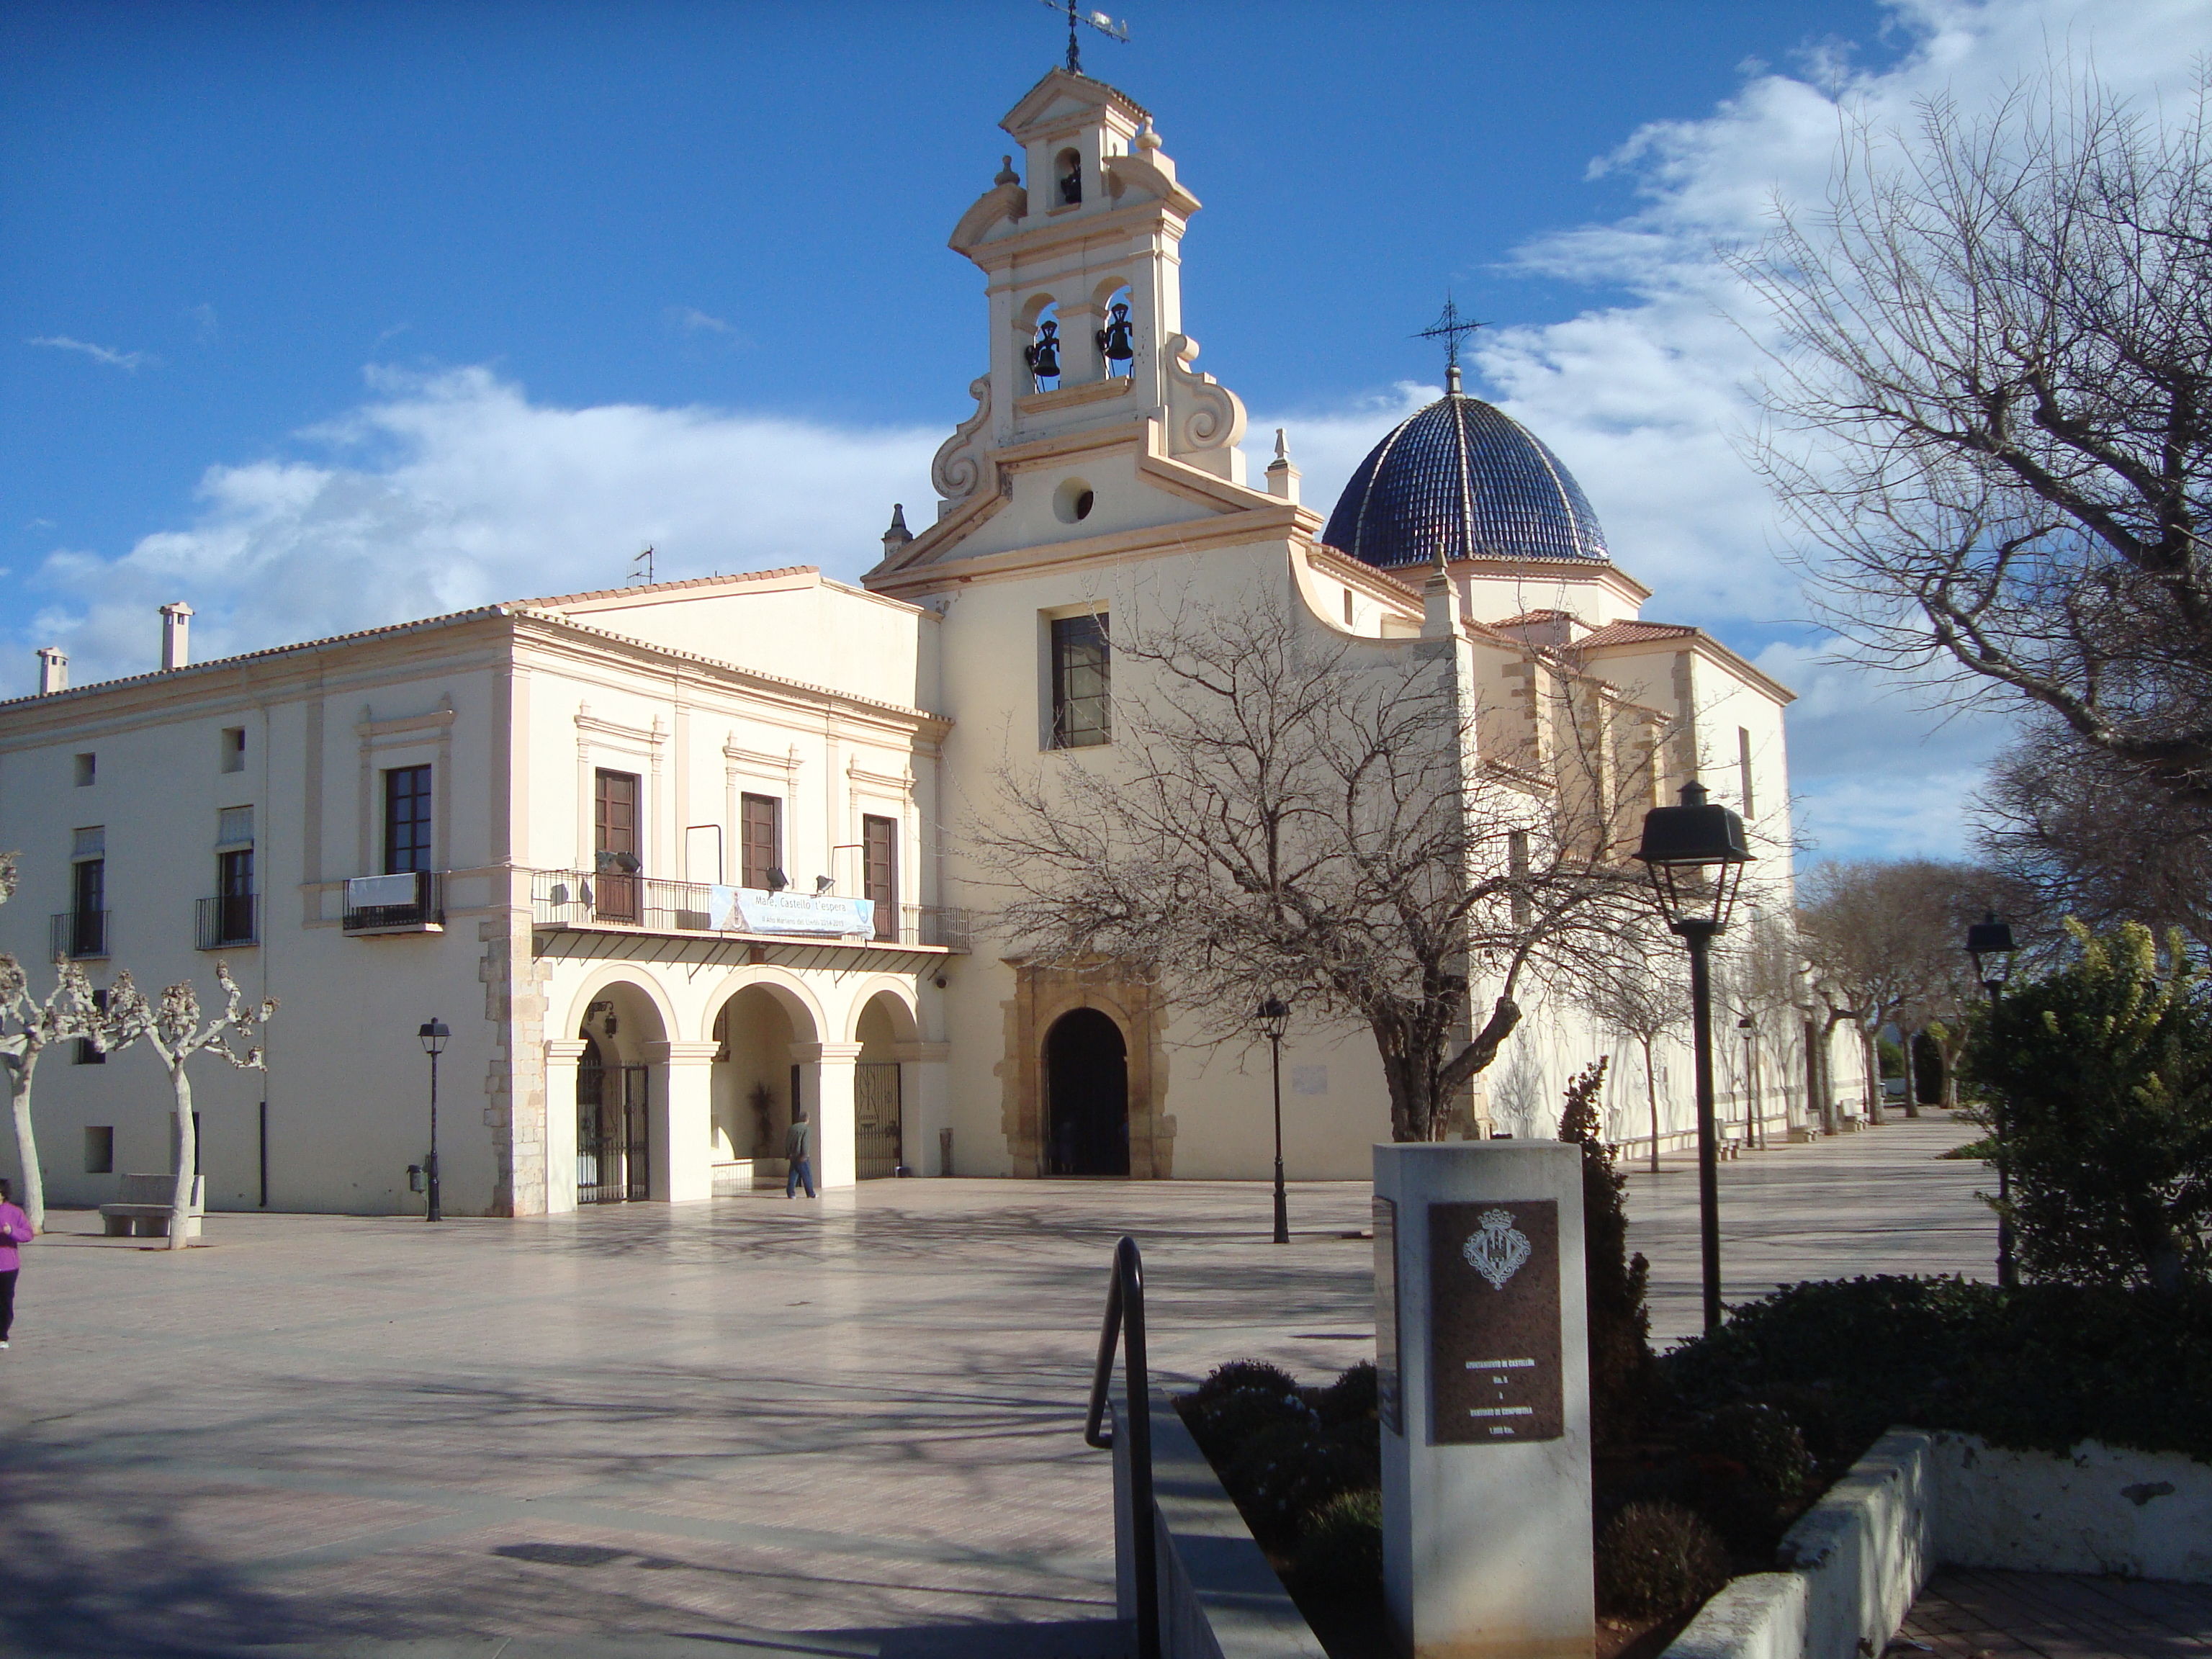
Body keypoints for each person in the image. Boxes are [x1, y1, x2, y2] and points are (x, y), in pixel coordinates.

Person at [0, 1177, 32, 1352]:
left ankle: (2, 1335)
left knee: (4, 1301)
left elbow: (28, 1234)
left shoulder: (14, 1212)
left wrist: (11, 1231)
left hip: (7, 1266)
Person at [784, 1108, 816, 1199]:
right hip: (801, 1156)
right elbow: (805, 1143)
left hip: (793, 1155)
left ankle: (791, 1193)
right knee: (807, 1175)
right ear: (807, 1119)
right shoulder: (806, 1129)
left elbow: (787, 1142)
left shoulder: (792, 1128)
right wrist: (804, 1155)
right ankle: (810, 1193)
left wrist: (788, 1153)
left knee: (793, 1175)